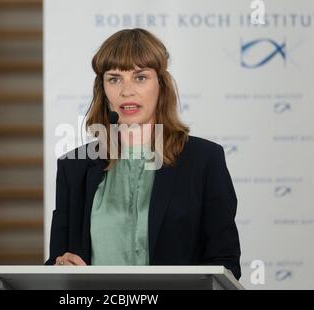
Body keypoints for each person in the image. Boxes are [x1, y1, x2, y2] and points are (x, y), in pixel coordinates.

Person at [45, 28, 241, 280]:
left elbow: (225, 265)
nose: (126, 91)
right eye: (114, 79)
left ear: (161, 84)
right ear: (103, 89)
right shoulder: (75, 166)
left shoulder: (205, 159)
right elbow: (56, 262)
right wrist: (60, 267)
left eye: (140, 77)